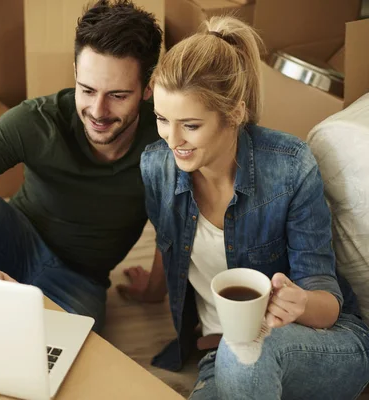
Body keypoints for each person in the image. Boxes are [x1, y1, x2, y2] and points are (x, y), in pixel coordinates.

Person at [119, 16, 369, 399]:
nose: (173, 139)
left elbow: (327, 307)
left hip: (323, 343)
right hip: (222, 354)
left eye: (190, 125)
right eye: (162, 120)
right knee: (239, 355)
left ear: (234, 114)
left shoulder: (290, 167)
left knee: (246, 350)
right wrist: (154, 288)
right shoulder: (157, 166)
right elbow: (168, 237)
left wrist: (298, 303)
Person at [0, 0, 161, 333]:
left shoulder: (165, 139)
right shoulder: (39, 121)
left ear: (147, 88)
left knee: (51, 358)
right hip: (13, 237)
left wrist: (155, 290)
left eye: (118, 95)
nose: (98, 110)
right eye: (87, 89)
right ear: (75, 71)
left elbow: (180, 226)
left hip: (79, 281)